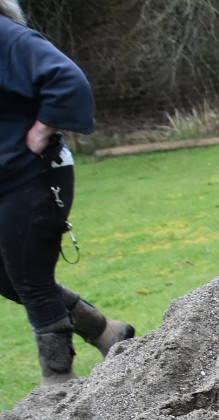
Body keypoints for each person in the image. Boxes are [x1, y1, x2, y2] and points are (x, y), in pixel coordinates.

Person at [0, 2, 132, 386]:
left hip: (35, 176)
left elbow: (66, 78)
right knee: (10, 277)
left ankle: (58, 379)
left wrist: (41, 130)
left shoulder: (8, 37)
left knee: (31, 277)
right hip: (7, 182)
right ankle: (105, 331)